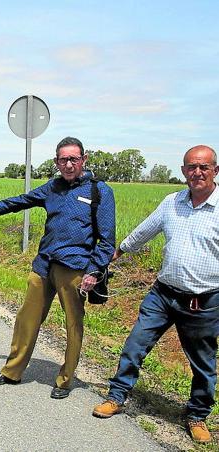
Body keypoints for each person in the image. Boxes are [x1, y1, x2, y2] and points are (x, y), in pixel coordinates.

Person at [0, 136, 115, 399]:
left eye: (74, 159)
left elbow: (108, 240)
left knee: (73, 324)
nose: (68, 164)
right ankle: (12, 371)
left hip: (74, 267)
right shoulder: (52, 188)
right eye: (63, 159)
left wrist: (94, 271)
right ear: (56, 162)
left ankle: (65, 380)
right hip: (44, 263)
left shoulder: (99, 191)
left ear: (84, 160)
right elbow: (18, 201)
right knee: (26, 319)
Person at [93, 145, 219, 444]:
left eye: (203, 167)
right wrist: (117, 252)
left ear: (216, 170)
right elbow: (143, 231)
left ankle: (198, 415)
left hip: (203, 302)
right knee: (135, 344)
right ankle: (117, 395)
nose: (197, 172)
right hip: (162, 295)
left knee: (203, 361)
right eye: (191, 167)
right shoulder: (172, 202)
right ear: (184, 171)